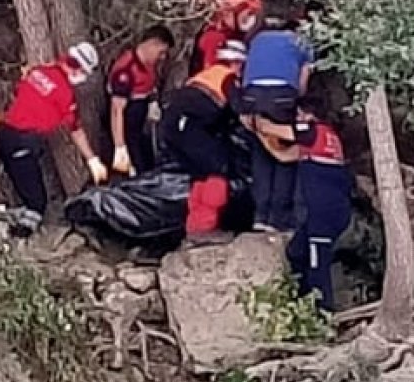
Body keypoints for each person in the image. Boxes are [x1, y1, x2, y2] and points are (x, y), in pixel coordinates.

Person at [0, 42, 108, 238]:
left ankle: (19, 218)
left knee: (23, 183)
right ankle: (22, 237)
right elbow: (76, 130)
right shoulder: (65, 94)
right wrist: (92, 159)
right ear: (79, 69)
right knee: (37, 202)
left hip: (4, 134)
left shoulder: (38, 71)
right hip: (23, 140)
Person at [159, 40, 247, 238]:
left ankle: (194, 227)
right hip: (190, 126)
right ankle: (206, 228)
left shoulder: (205, 75)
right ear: (237, 63)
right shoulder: (227, 77)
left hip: (173, 127)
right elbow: (238, 107)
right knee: (218, 169)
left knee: (200, 175)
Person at [242, 17, 316, 232]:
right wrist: (298, 102)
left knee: (261, 154)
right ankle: (278, 218)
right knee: (283, 152)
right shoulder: (303, 42)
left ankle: (260, 216)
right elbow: (302, 84)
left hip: (251, 97)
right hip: (281, 97)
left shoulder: (258, 39)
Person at [288, 98, 353, 312]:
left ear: (310, 115)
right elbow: (284, 154)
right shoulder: (328, 137)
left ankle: (323, 312)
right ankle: (302, 301)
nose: (297, 118)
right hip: (329, 209)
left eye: (299, 114)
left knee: (319, 266)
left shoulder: (314, 130)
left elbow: (289, 133)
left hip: (324, 212)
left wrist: (260, 124)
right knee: (296, 251)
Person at [106, 25, 174, 177]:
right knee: (137, 167)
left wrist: (152, 102)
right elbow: (116, 111)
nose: (162, 57)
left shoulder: (149, 64)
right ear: (152, 44)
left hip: (140, 121)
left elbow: (150, 83)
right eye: (161, 52)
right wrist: (120, 146)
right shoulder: (126, 70)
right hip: (127, 125)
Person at [190, 0, 262, 75]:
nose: (249, 21)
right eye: (245, 15)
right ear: (226, 13)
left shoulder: (248, 36)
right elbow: (211, 75)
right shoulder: (214, 38)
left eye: (251, 15)